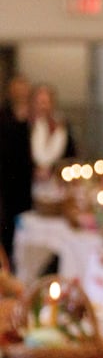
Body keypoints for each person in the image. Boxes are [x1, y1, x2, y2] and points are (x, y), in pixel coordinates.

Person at [0, 74, 34, 265]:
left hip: (25, 181)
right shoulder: (5, 116)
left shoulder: (32, 115)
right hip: (7, 179)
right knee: (8, 226)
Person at [28, 83, 77, 182]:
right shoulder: (27, 127)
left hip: (57, 180)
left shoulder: (62, 127)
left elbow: (71, 156)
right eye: (39, 102)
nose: (43, 107)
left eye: (46, 102)